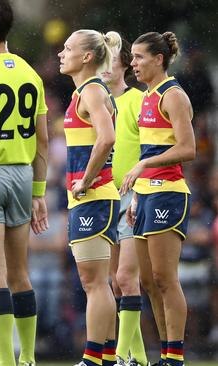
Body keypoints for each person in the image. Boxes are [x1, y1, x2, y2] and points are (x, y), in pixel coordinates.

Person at [0, 1, 49, 365]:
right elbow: (43, 140)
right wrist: (38, 192)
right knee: (20, 273)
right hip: (21, 174)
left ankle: (1, 358)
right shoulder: (29, 72)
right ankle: (29, 357)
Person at [120, 31, 195, 366]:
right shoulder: (148, 95)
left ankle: (175, 357)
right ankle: (165, 354)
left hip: (168, 193)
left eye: (138, 57)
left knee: (166, 278)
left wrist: (145, 164)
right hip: (146, 195)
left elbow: (188, 148)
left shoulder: (173, 95)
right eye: (132, 57)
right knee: (148, 281)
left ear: (158, 59)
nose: (132, 63)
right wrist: (136, 194)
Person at [58, 29, 121, 366]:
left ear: (86, 57)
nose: (61, 54)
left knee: (94, 282)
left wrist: (85, 179)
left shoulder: (93, 91)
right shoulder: (84, 92)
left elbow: (107, 137)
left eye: (68, 49)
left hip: (94, 196)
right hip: (89, 198)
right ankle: (106, 357)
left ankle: (94, 358)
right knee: (97, 282)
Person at [101, 36, 149, 366]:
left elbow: (152, 150)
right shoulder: (94, 100)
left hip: (133, 196)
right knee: (115, 284)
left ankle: (119, 357)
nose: (105, 66)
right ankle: (139, 359)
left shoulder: (138, 100)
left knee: (126, 279)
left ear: (124, 66)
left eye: (111, 60)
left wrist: (140, 192)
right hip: (104, 197)